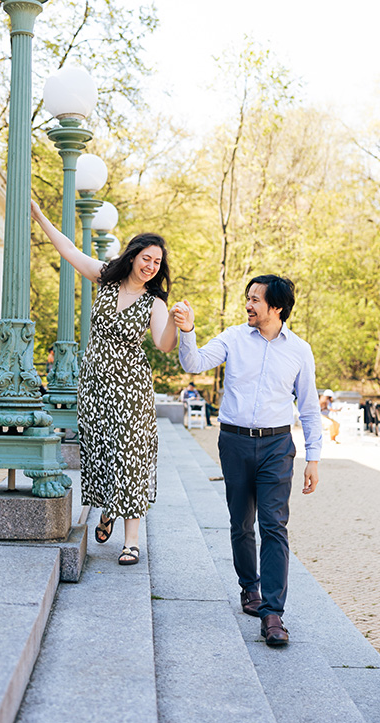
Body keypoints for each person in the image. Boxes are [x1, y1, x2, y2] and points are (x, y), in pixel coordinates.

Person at [172, 275, 322, 648]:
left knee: (274, 526)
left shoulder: (299, 350)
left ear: (277, 307)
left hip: (277, 446)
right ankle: (249, 587)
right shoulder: (234, 337)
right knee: (241, 522)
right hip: (235, 443)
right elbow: (194, 362)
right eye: (248, 298)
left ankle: (273, 614)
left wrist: (314, 458)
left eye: (256, 299)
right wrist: (187, 330)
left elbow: (309, 407)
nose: (248, 305)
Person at [30, 200, 179, 566]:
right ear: (133, 256)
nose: (151, 266)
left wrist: (179, 325)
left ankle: (132, 541)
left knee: (130, 455)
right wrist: (38, 215)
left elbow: (163, 344)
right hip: (95, 385)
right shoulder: (106, 278)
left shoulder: (155, 303)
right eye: (146, 258)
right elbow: (69, 250)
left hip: (131, 388)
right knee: (100, 451)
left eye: (157, 262)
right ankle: (109, 508)